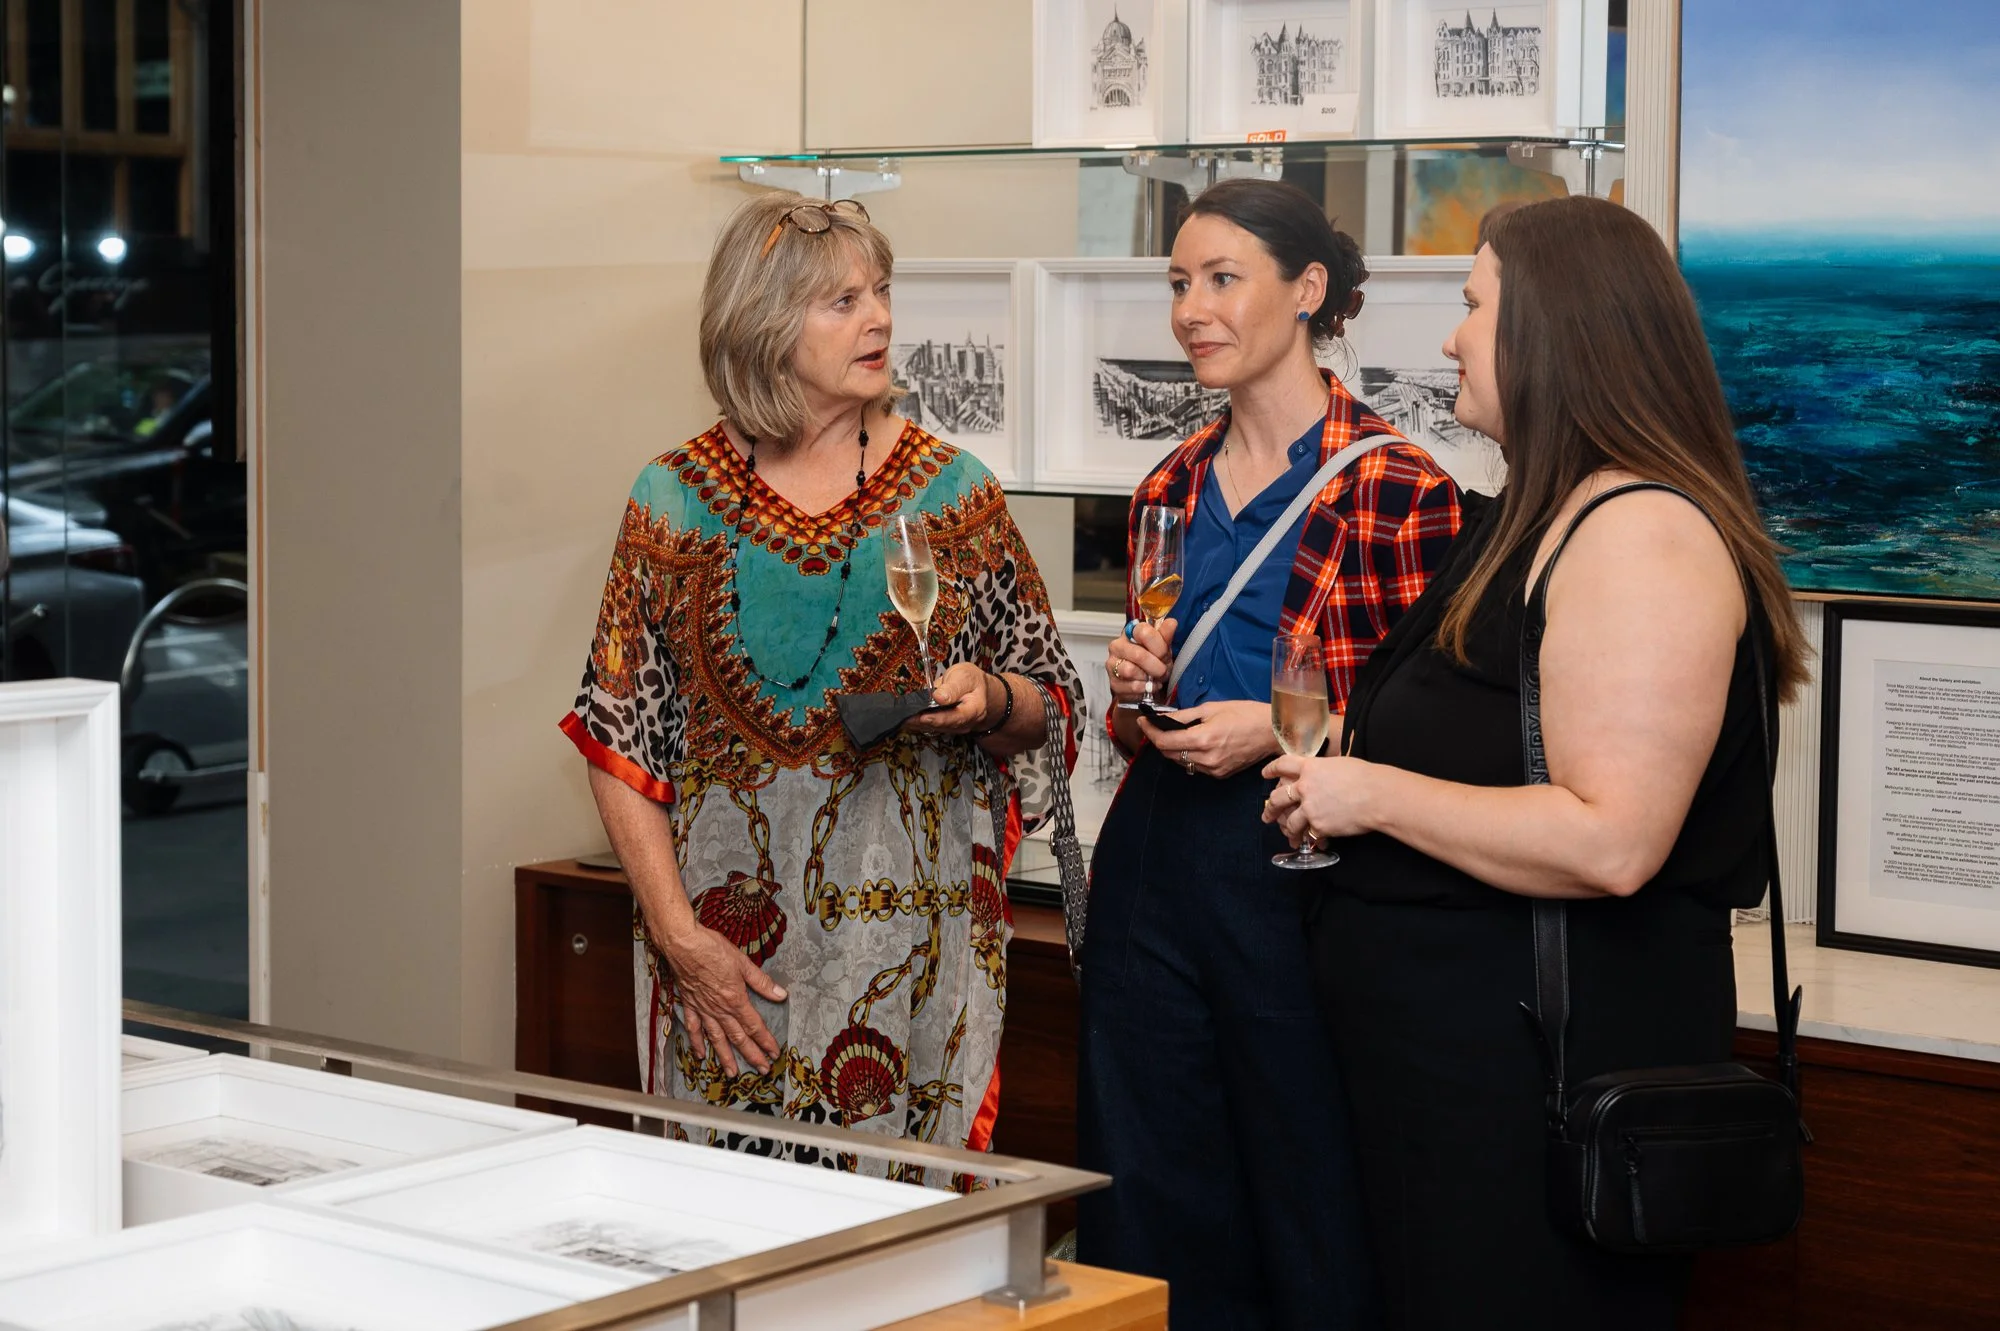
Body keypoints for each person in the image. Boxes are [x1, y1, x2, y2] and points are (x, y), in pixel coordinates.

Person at [1263, 195, 1811, 1328]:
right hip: (1461, 1082)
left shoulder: (1639, 533)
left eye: (1472, 306)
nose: (1452, 336)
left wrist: (1366, 792)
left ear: (1556, 330)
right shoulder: (1542, 513)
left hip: (1537, 1092)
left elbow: (1610, 838)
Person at [561, 191, 1082, 1181]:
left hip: (909, 964)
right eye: (841, 301)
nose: (878, 317)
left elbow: (1052, 699)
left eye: (880, 291)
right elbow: (618, 736)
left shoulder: (953, 491)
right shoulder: (669, 500)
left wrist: (992, 699)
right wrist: (677, 936)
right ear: (762, 322)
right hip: (724, 966)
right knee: (727, 1241)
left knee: (897, 1260)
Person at [1080, 177, 1463, 1328]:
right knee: (1146, 1182)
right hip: (1153, 861)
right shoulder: (1167, 484)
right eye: (1178, 283)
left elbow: (1433, 733)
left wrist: (1290, 728)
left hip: (1300, 877)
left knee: (1306, 1180)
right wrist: (1132, 689)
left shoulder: (1401, 489)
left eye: (1220, 279)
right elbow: (1131, 715)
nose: (1191, 309)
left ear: (1305, 292)